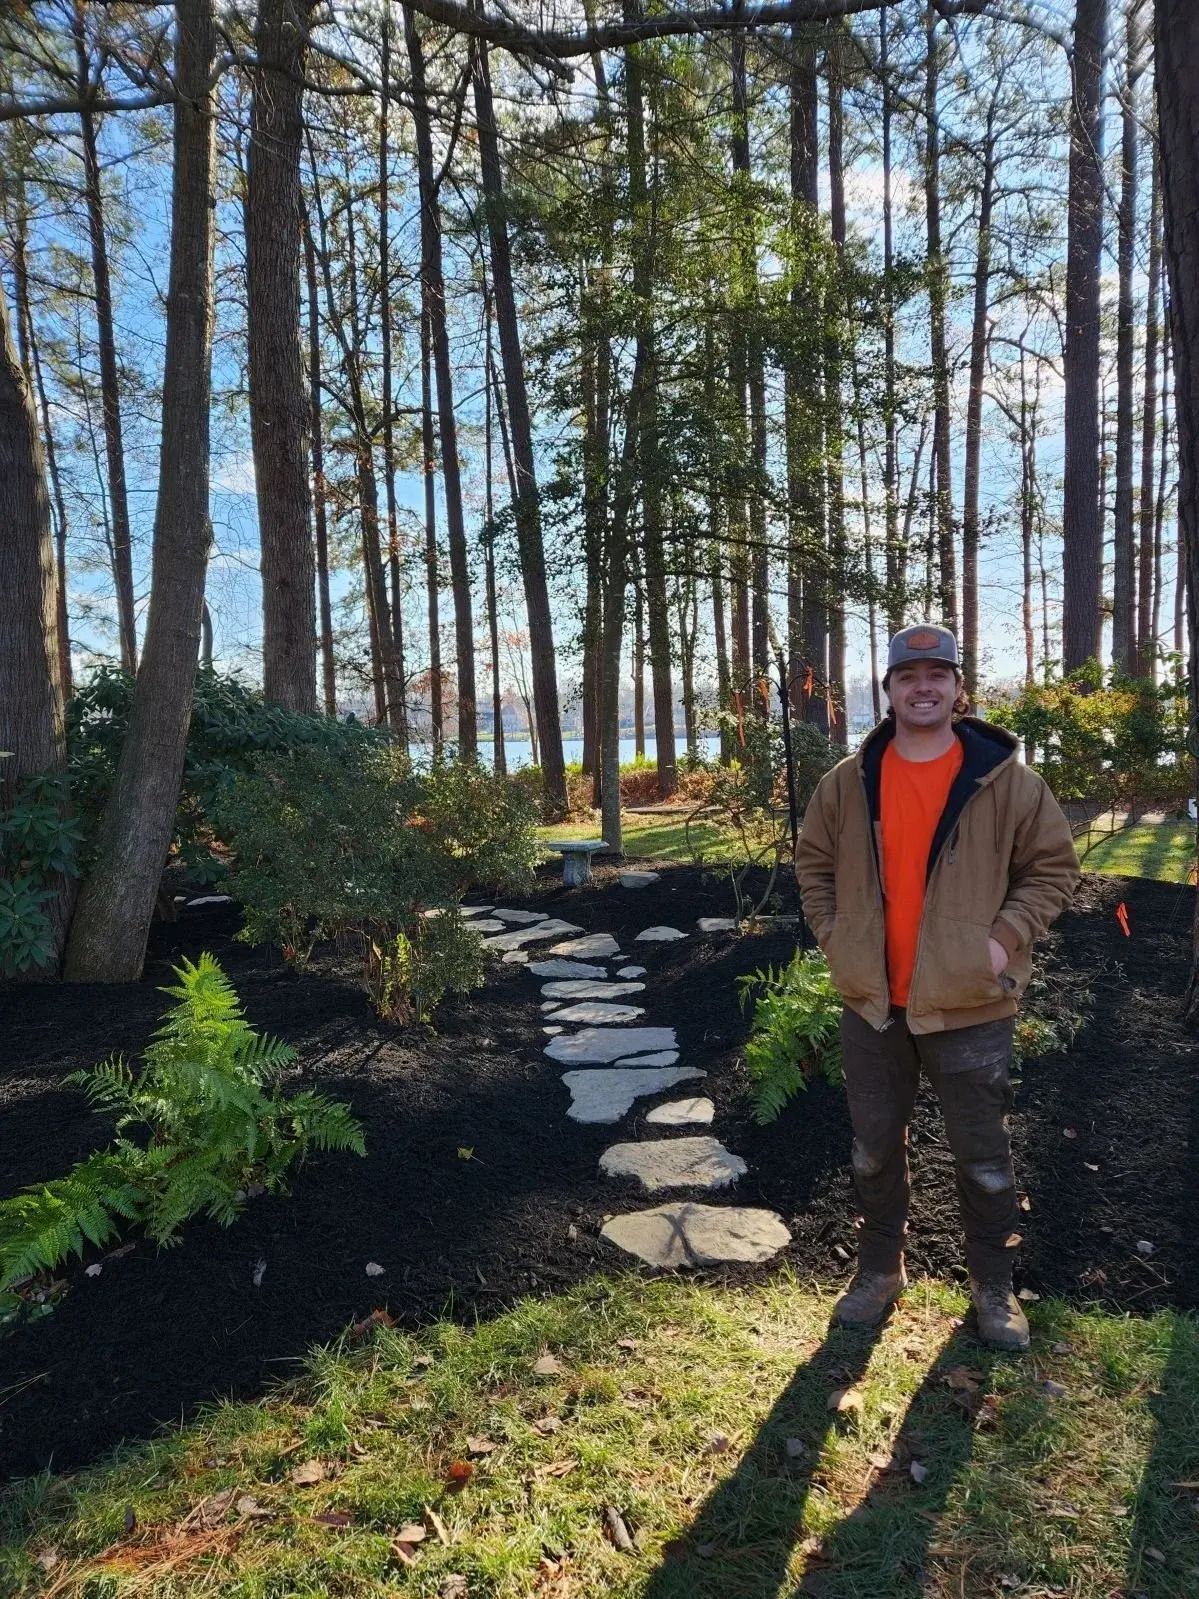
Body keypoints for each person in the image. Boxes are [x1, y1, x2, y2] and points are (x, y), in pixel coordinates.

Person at [795, 625, 1079, 1349]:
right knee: (872, 1150)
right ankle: (878, 1269)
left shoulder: (1009, 782)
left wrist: (998, 941)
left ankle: (991, 1287)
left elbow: (1050, 870)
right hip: (872, 1003)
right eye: (907, 674)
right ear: (886, 690)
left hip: (970, 1003)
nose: (922, 685)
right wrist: (836, 937)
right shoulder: (846, 781)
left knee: (982, 1157)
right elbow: (813, 866)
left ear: (958, 688)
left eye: (936, 673)